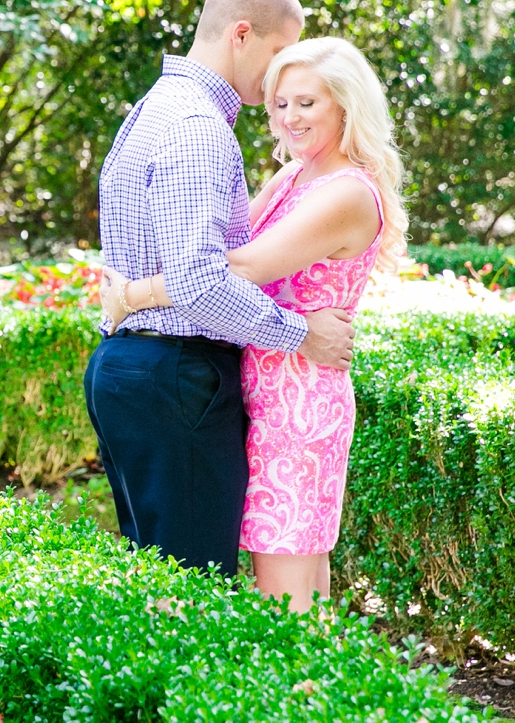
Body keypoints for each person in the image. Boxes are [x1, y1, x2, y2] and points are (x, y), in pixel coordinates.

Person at [103, 36, 407, 612]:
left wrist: (135, 295)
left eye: (307, 103)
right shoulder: (295, 177)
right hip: (261, 397)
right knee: (303, 598)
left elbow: (236, 267)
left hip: (299, 408)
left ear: (345, 104)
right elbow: (219, 251)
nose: (289, 117)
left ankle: (313, 702)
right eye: (280, 103)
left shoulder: (345, 191)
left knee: (288, 607)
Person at [84, 0, 358, 581]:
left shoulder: (155, 109)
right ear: (242, 35)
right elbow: (201, 282)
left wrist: (134, 295)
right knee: (194, 591)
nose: (281, 72)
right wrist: (301, 333)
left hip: (134, 365)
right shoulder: (198, 128)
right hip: (176, 374)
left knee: (160, 585)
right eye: (277, 51)